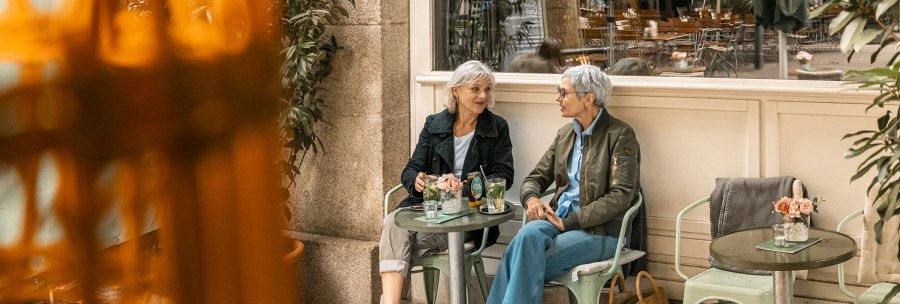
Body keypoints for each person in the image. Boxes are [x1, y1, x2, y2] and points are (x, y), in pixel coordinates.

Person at [486, 65, 641, 303]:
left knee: (519, 260)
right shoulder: (565, 134)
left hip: (599, 231)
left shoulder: (620, 134)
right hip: (558, 220)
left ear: (588, 98)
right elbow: (534, 179)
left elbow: (620, 196)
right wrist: (532, 199)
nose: (558, 98)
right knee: (527, 238)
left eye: (564, 92)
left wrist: (571, 221)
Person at [379, 60, 515, 304]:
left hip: (470, 216)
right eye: (475, 89)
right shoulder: (434, 125)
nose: (483, 95)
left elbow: (504, 175)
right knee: (394, 222)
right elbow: (412, 169)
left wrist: (466, 186)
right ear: (456, 90)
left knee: (398, 239)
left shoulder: (497, 127)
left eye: (487, 89)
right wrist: (418, 182)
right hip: (432, 210)